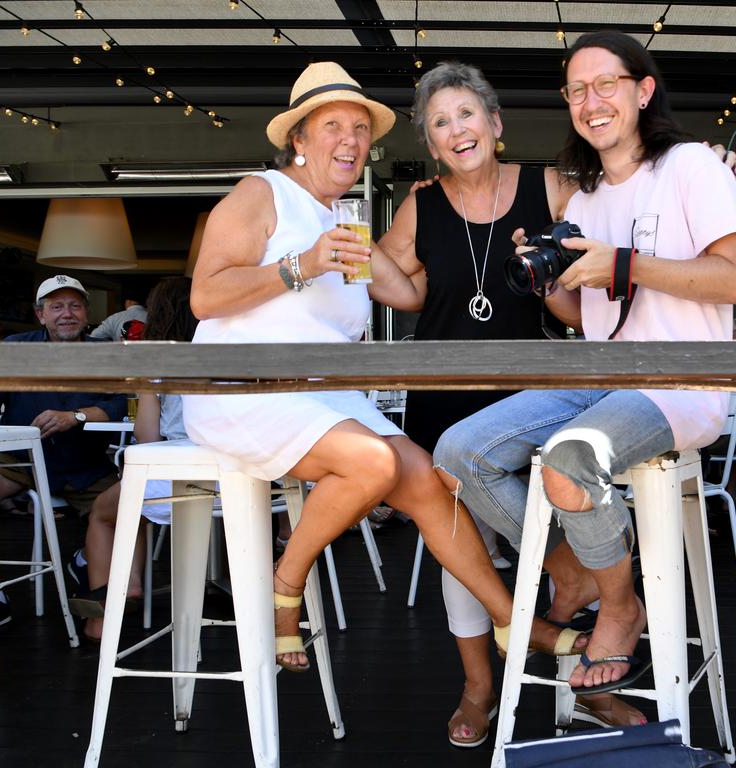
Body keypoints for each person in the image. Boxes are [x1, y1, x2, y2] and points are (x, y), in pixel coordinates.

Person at [377, 61, 736, 745]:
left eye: (467, 115)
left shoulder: (558, 188)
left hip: (541, 385)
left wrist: (713, 169)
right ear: (429, 145)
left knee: (567, 486)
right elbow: (395, 282)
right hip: (447, 393)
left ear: (496, 123)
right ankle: (483, 682)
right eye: (439, 124)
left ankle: (590, 674)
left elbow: (631, 199)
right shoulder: (422, 204)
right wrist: (337, 239)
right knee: (467, 549)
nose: (457, 130)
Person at [182, 61, 584, 677]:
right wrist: (301, 266)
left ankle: (513, 620)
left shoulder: (346, 219)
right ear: (299, 138)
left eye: (361, 129)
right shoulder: (262, 193)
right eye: (333, 126)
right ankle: (285, 580)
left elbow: (409, 293)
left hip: (325, 398)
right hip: (247, 390)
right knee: (375, 461)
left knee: (431, 482)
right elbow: (205, 297)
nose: (350, 140)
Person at [0, 275, 126, 619]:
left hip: (85, 466)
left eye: (74, 305)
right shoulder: (16, 349)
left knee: (133, 509)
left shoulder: (105, 352)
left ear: (85, 314)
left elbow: (119, 405)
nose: (66, 313)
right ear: (41, 315)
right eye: (56, 306)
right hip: (20, 463)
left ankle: (91, 580)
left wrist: (76, 416)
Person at [67, 277, 198, 641]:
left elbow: (147, 437)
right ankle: (134, 581)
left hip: (182, 476)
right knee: (130, 498)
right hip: (240, 479)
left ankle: (102, 617)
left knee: (105, 512)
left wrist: (144, 386)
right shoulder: (232, 351)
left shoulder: (160, 361)